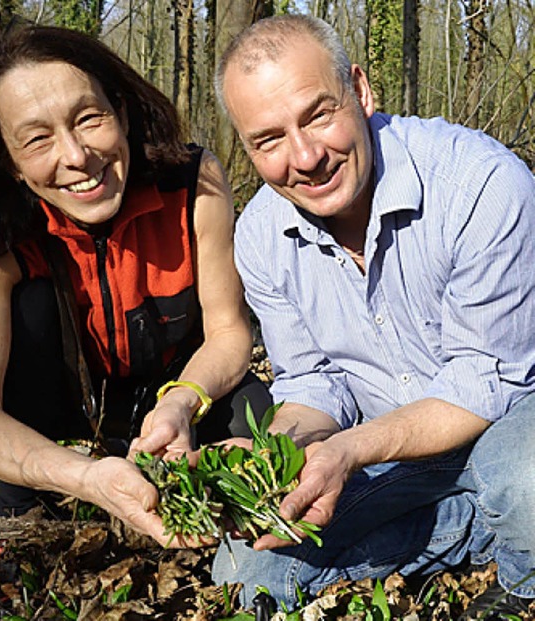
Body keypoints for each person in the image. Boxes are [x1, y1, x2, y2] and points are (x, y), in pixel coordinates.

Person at [212, 13, 535, 617]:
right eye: (269, 140)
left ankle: (522, 580)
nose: (305, 157)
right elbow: (312, 384)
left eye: (318, 114)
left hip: (510, 425)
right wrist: (273, 455)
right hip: (386, 452)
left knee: (528, 479)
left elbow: (482, 383)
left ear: (360, 90)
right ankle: (477, 527)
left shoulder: (481, 184)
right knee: (244, 571)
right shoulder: (259, 235)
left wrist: (351, 450)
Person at [0, 23, 270, 544]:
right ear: (8, 159)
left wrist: (182, 401)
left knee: (265, 424)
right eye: (37, 138)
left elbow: (229, 332)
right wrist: (86, 477)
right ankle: (26, 499)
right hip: (50, 425)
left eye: (89, 118)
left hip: (176, 394)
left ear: (122, 111)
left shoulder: (191, 181)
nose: (76, 156)